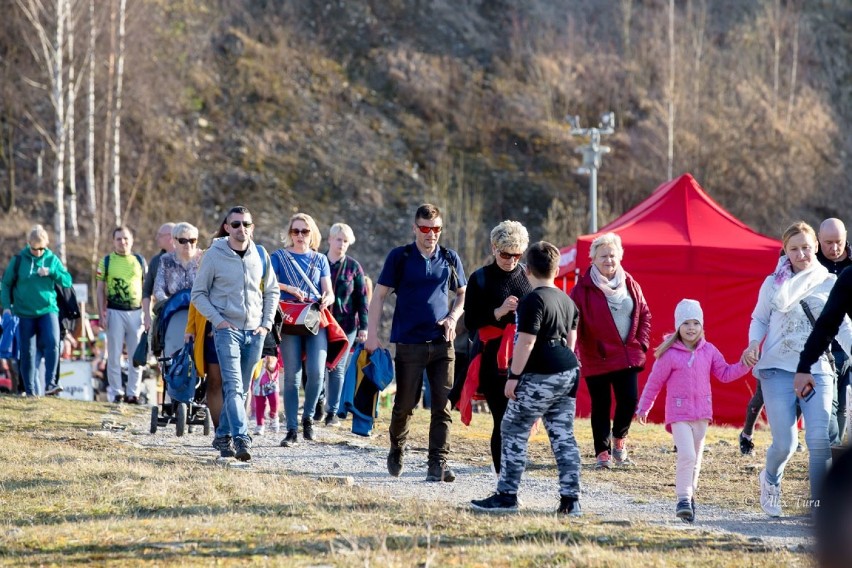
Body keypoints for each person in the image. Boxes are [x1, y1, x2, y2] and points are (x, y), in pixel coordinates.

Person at [741, 221, 852, 517]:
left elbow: (842, 326)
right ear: (785, 251)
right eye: (794, 249)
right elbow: (759, 319)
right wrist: (753, 344)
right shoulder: (773, 283)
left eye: (806, 247)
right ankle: (770, 478)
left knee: (818, 441)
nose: (801, 254)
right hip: (777, 369)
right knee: (786, 443)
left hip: (817, 369)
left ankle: (820, 510)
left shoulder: (829, 282)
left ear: (815, 247)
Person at [470, 241, 582, 515]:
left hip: (540, 371)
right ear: (556, 269)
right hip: (568, 371)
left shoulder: (534, 299)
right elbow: (572, 340)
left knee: (512, 429)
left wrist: (514, 376)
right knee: (563, 437)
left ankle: (507, 495)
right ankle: (571, 500)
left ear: (527, 269)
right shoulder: (567, 300)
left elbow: (526, 342)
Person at [366, 203, 467, 482]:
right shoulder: (400, 257)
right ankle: (397, 446)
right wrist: (372, 335)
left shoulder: (449, 258)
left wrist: (452, 317)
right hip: (409, 343)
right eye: (425, 228)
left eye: (436, 229)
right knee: (404, 405)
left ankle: (438, 462)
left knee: (442, 405)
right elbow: (379, 296)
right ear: (415, 228)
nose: (431, 234)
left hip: (442, 342)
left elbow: (462, 294)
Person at [637, 299, 752, 523]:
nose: (691, 328)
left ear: (702, 326)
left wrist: (745, 364)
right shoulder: (670, 354)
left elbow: (726, 373)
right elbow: (654, 382)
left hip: (702, 415)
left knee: (696, 459)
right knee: (687, 455)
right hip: (679, 414)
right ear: (678, 326)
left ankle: (690, 498)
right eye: (686, 323)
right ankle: (682, 498)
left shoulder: (709, 351)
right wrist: (644, 406)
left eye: (696, 323)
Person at [190, 206, 279, 461]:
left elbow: (272, 291)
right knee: (233, 385)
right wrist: (218, 321)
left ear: (252, 227)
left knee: (242, 389)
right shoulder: (213, 255)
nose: (242, 228)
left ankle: (222, 435)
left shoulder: (261, 254)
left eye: (246, 224)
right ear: (227, 227)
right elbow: (198, 294)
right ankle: (242, 438)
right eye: (236, 224)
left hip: (256, 331)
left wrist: (266, 324)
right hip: (227, 331)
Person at [570, 232, 651, 468]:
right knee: (601, 405)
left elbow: (645, 313)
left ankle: (619, 440)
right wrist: (575, 351)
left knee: (629, 400)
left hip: (627, 354)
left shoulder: (630, 283)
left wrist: (641, 343)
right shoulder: (582, 289)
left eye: (612, 255)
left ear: (620, 257)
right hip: (596, 355)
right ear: (593, 259)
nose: (609, 260)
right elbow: (572, 321)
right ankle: (602, 454)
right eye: (603, 255)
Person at [462, 220, 532, 474]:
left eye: (517, 255)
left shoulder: (527, 275)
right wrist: (499, 312)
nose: (511, 260)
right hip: (492, 357)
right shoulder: (479, 278)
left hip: (523, 354)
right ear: (494, 248)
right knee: (502, 418)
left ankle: (514, 468)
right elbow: (469, 321)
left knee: (520, 418)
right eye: (505, 254)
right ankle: (503, 474)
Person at [272, 213, 334, 446]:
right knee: (291, 376)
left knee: (317, 372)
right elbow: (266, 282)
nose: (300, 236)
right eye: (295, 231)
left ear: (312, 234)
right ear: (289, 234)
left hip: (314, 318)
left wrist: (328, 297)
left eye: (304, 231)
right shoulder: (279, 256)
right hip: (289, 320)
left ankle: (307, 418)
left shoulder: (320, 260)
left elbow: (328, 290)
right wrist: (288, 287)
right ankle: (291, 429)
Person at [1, 225, 72, 397]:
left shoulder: (52, 259)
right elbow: (6, 284)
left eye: (42, 248)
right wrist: (7, 308)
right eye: (35, 249)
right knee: (27, 352)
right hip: (24, 313)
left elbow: (67, 281)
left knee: (53, 342)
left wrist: (52, 272)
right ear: (28, 245)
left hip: (48, 309)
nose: (38, 252)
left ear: (46, 245)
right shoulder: (19, 260)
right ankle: (31, 391)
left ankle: (51, 384)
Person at [323, 222, 369, 426]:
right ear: (330, 240)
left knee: (337, 368)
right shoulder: (318, 261)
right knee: (315, 366)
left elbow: (362, 298)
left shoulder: (353, 267)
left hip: (346, 325)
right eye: (338, 239)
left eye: (346, 241)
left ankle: (332, 411)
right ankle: (316, 403)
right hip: (320, 322)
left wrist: (364, 328)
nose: (341, 244)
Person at [96, 226, 148, 404]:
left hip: (136, 312)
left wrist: (148, 314)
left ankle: (133, 393)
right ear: (113, 241)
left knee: (137, 356)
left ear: (132, 240)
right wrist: (101, 313)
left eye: (126, 238)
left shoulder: (140, 261)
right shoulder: (106, 261)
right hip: (114, 311)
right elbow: (100, 289)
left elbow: (147, 289)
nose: (122, 242)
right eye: (118, 239)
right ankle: (117, 392)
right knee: (114, 354)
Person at [816, 218, 852, 445]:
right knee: (827, 403)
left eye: (838, 242)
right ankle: (831, 448)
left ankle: (837, 449)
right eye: (828, 242)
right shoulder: (811, 262)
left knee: (844, 403)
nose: (834, 247)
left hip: (848, 343)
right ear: (819, 240)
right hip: (821, 345)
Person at [153, 222, 203, 358]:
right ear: (174, 241)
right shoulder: (166, 260)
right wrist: (167, 303)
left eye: (192, 240)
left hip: (201, 311)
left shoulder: (204, 259)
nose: (188, 244)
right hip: (173, 311)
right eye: (183, 240)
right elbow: (158, 289)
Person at [141, 223, 175, 332]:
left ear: (170, 237)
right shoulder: (156, 261)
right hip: (163, 315)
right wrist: (147, 315)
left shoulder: (190, 259)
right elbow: (146, 291)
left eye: (160, 235)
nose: (156, 238)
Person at [252, 354, 281, 435]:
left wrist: (280, 363)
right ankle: (260, 425)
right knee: (260, 405)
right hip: (258, 381)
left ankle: (273, 416)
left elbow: (279, 351)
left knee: (274, 401)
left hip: (272, 380)